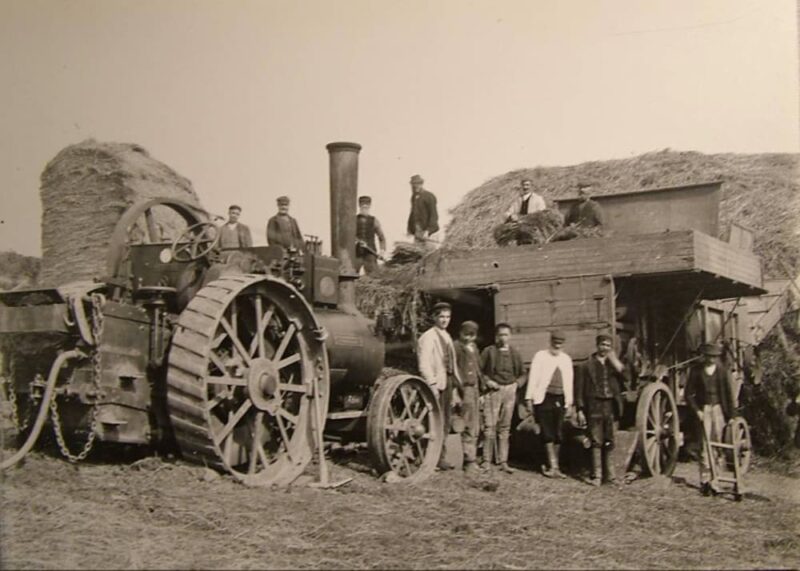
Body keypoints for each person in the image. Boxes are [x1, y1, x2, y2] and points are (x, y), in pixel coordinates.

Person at [685, 342, 736, 495]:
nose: (712, 360)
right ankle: (704, 481)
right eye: (709, 356)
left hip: (718, 410)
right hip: (704, 410)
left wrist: (732, 416)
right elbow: (688, 394)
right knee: (704, 445)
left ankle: (716, 480)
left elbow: (728, 394)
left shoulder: (722, 371)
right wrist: (697, 411)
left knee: (717, 444)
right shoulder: (696, 371)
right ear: (704, 356)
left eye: (715, 357)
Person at [575, 334, 625, 486]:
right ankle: (597, 476)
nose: (605, 348)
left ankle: (611, 477)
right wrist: (580, 410)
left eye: (608, 346)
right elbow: (579, 390)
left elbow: (628, 377)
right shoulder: (586, 366)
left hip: (610, 405)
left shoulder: (613, 366)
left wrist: (616, 362)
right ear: (597, 346)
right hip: (594, 405)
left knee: (610, 440)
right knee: (596, 441)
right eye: (603, 345)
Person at [417, 301, 462, 471]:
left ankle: (440, 457)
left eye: (447, 317)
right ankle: (427, 458)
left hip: (448, 382)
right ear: (434, 317)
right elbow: (424, 364)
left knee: (445, 421)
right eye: (441, 316)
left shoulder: (447, 336)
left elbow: (452, 363)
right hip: (436, 384)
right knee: (433, 420)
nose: (445, 320)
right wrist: (432, 384)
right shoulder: (428, 337)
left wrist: (456, 386)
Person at [525, 330, 574, 478]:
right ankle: (552, 466)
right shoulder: (540, 356)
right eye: (555, 342)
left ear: (563, 344)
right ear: (550, 341)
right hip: (544, 398)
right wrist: (529, 398)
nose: (557, 346)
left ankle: (555, 466)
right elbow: (533, 378)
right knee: (547, 432)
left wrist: (569, 403)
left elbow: (569, 382)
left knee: (558, 432)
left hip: (560, 399)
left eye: (560, 343)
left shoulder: (566, 359)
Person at [480, 323, 526, 474]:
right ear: (496, 336)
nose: (503, 338)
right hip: (493, 391)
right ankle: (486, 461)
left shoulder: (515, 353)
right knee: (489, 426)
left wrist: (516, 385)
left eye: (506, 335)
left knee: (505, 427)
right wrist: (488, 382)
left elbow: (523, 374)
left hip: (509, 391)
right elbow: (479, 371)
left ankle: (503, 461)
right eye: (500, 335)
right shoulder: (489, 351)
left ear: (510, 336)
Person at [454, 320, 485, 475]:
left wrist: (481, 390)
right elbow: (455, 370)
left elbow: (478, 370)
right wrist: (457, 391)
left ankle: (471, 458)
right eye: (465, 335)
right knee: (465, 424)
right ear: (460, 333)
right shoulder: (456, 348)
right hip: (463, 389)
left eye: (472, 336)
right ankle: (467, 460)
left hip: (474, 389)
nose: (468, 338)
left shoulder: (474, 349)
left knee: (474, 424)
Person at [355, 196, 387, 275]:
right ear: (359, 206)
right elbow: (348, 236)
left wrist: (382, 251)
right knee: (351, 275)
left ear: (369, 207)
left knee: (373, 276)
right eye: (363, 206)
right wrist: (355, 241)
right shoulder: (353, 220)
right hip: (356, 253)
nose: (364, 208)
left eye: (366, 207)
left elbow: (382, 238)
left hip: (370, 253)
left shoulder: (374, 221)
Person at [406, 174, 439, 244]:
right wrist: (409, 229)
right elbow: (412, 213)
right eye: (413, 185)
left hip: (428, 232)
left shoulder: (429, 196)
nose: (415, 187)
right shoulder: (414, 197)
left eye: (418, 184)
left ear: (421, 184)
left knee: (429, 252)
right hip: (418, 231)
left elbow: (434, 215)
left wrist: (428, 231)